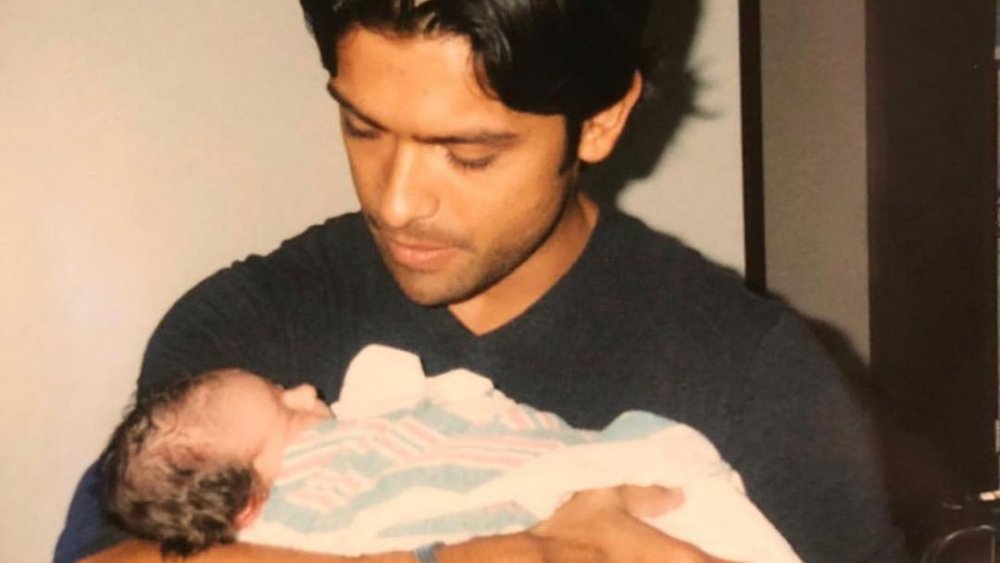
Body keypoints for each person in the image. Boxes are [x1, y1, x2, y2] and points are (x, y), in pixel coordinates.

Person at [55, 0, 909, 561]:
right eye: (363, 127)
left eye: (469, 154)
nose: (396, 202)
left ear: (601, 121)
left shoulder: (759, 376)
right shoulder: (249, 334)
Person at [99, 345, 802, 562]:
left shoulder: (745, 344)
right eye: (286, 407)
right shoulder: (296, 512)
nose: (308, 388)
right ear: (249, 503)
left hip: (621, 484)